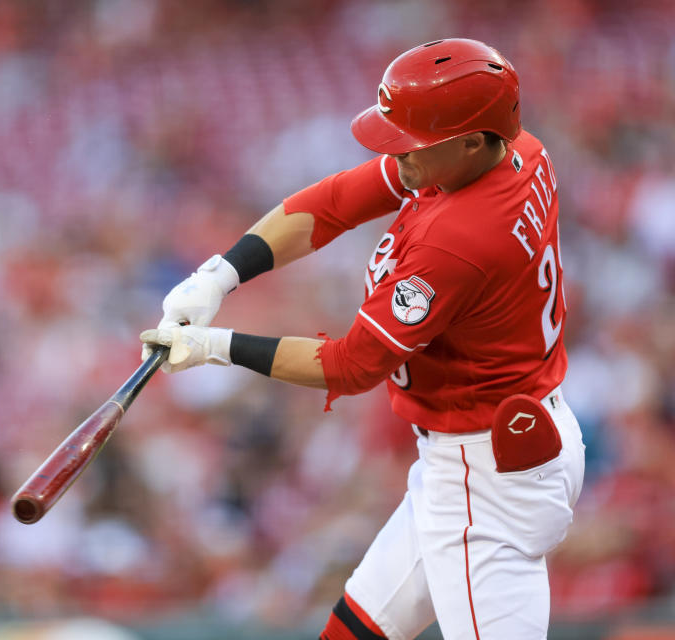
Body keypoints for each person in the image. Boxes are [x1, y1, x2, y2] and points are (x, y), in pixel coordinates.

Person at [141, 38, 585, 639]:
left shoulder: (457, 241)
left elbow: (351, 366)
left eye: (413, 143)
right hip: (491, 446)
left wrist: (216, 348)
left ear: (473, 140)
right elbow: (338, 201)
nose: (396, 153)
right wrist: (221, 274)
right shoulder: (511, 151)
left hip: (486, 480)